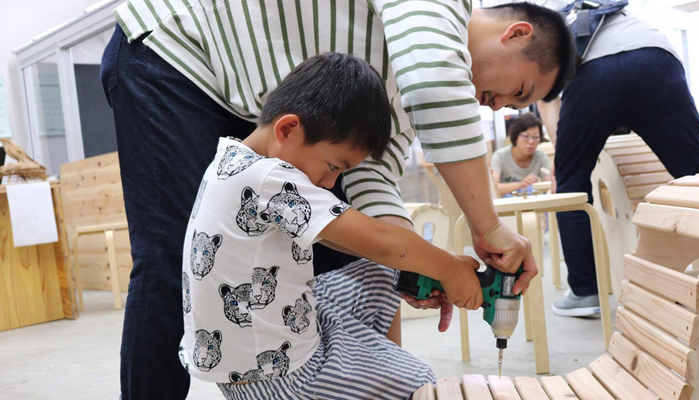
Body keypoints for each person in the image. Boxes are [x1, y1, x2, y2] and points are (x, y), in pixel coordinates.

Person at [101, 1, 573, 398]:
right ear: (516, 34)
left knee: (373, 267)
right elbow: (433, 85)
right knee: (166, 258)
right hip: (174, 53)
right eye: (519, 91)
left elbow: (371, 177)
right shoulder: (437, 27)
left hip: (258, 121)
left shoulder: (263, 155)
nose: (497, 107)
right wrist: (476, 236)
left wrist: (415, 265)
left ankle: (360, 367)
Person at [183, 52, 488, 399]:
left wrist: (425, 269)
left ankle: (369, 368)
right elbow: (383, 241)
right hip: (280, 377)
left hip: (260, 344)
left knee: (381, 271)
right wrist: (449, 268)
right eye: (332, 166)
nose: (330, 183)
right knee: (421, 383)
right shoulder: (270, 179)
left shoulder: (233, 158)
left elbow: (356, 242)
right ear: (287, 129)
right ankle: (376, 379)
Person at [535, 2, 699, 317]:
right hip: (657, 57)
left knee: (570, 186)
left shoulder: (541, 14)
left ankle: (585, 291)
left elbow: (547, 100)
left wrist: (565, 157)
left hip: (592, 71)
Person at [491, 113, 550, 197]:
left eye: (536, 137)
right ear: (515, 137)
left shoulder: (541, 156)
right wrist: (521, 184)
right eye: (526, 136)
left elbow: (549, 185)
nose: (531, 142)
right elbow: (493, 188)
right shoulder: (500, 156)